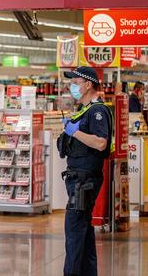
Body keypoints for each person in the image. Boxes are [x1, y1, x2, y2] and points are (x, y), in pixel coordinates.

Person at [58, 67, 113, 276]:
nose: (72, 86)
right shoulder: (84, 109)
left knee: (73, 230)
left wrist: (75, 132)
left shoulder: (97, 111)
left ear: (88, 84)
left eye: (76, 82)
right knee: (83, 229)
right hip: (78, 178)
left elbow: (100, 143)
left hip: (85, 180)